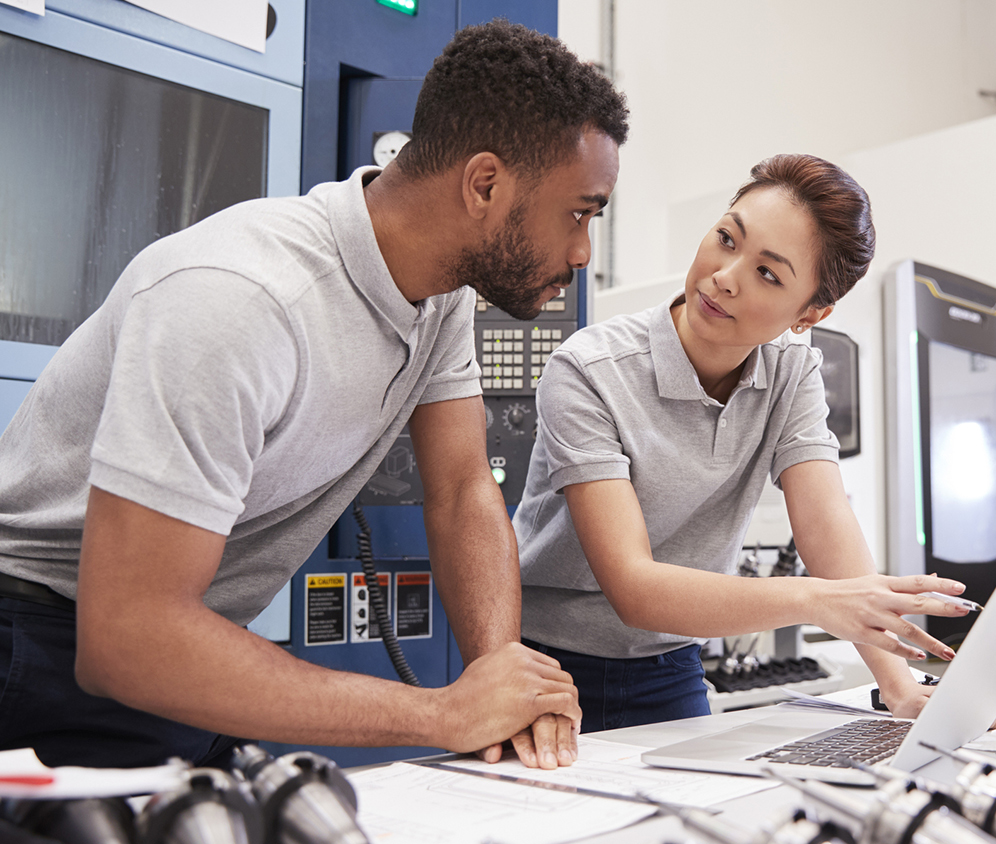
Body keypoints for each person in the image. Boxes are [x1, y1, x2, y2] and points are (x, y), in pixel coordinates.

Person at [0, 21, 626, 770]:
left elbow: (461, 489)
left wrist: (501, 684)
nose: (584, 252)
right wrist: (442, 711)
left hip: (177, 637)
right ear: (485, 184)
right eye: (579, 213)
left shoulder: (441, 294)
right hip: (37, 642)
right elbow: (126, 639)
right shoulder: (241, 302)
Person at [513, 154, 974, 733]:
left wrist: (899, 686)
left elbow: (825, 521)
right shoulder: (588, 370)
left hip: (671, 663)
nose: (725, 275)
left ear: (810, 313)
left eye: (768, 274)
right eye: (727, 238)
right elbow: (633, 587)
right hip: (546, 664)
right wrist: (816, 600)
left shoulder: (792, 370)